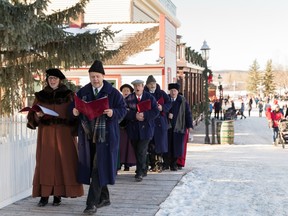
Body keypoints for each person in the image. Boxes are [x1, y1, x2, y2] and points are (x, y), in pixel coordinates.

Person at [73, 60, 127, 214]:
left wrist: (113, 113)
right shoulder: (83, 91)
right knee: (94, 167)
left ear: (103, 76)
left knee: (98, 167)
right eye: (92, 77)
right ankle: (105, 198)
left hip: (106, 137)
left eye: (97, 76)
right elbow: (75, 106)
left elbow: (123, 110)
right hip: (88, 136)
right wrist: (75, 111)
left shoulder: (113, 93)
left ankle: (91, 204)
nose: (95, 80)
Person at [27, 68, 84, 207]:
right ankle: (44, 196)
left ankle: (58, 195)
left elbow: (76, 113)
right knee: (45, 164)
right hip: (46, 134)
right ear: (47, 80)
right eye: (50, 78)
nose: (52, 81)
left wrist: (75, 115)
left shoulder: (69, 95)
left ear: (60, 80)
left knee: (63, 163)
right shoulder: (40, 96)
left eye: (55, 79)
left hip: (64, 134)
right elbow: (33, 114)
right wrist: (37, 115)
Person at [124, 79, 159, 182]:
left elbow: (156, 111)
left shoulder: (149, 98)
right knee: (138, 151)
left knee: (141, 150)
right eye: (135, 86)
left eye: (139, 85)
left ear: (143, 87)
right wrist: (134, 115)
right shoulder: (128, 99)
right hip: (133, 130)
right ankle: (144, 168)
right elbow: (124, 112)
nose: (137, 88)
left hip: (146, 129)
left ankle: (139, 172)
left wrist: (145, 115)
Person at [144, 75, 172, 172]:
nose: (152, 85)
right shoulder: (144, 93)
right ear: (147, 85)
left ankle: (160, 164)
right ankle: (151, 164)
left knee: (160, 144)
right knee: (150, 144)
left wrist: (162, 107)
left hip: (160, 122)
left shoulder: (161, 93)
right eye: (150, 84)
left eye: (154, 84)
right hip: (149, 121)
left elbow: (169, 103)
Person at [163, 83, 193, 171]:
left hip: (179, 126)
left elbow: (188, 113)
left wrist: (189, 125)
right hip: (167, 126)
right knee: (167, 145)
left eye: (175, 91)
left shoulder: (182, 100)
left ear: (178, 91)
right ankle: (166, 163)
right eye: (171, 90)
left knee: (177, 146)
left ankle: (174, 164)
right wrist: (168, 114)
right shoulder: (166, 99)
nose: (173, 92)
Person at [118, 84, 136, 171]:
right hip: (120, 127)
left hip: (129, 126)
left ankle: (127, 164)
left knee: (128, 147)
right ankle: (119, 163)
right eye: (124, 90)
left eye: (127, 90)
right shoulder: (119, 100)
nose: (125, 92)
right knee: (120, 146)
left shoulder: (133, 101)